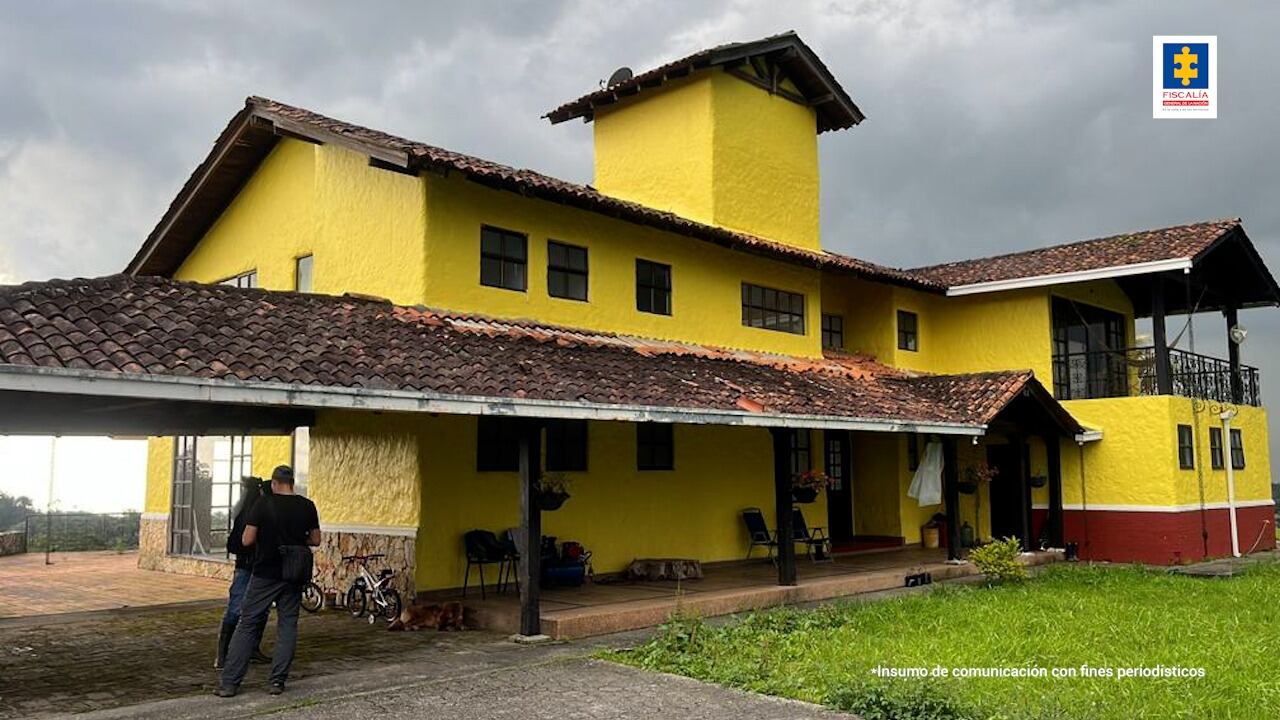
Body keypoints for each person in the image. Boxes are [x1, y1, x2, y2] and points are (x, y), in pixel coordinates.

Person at [215, 465, 320, 697]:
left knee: (248, 623)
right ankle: (277, 682)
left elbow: (246, 539)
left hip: (265, 573)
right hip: (293, 574)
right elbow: (315, 539)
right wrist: (296, 539)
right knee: (288, 625)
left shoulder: (263, 504)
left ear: (274, 483)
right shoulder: (307, 505)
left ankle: (230, 683)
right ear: (292, 483)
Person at [214, 475, 273, 669]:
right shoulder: (253, 512)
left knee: (252, 609)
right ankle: (225, 654)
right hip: (250, 566)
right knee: (240, 609)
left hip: (251, 566)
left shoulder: (244, 510)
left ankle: (234, 653)